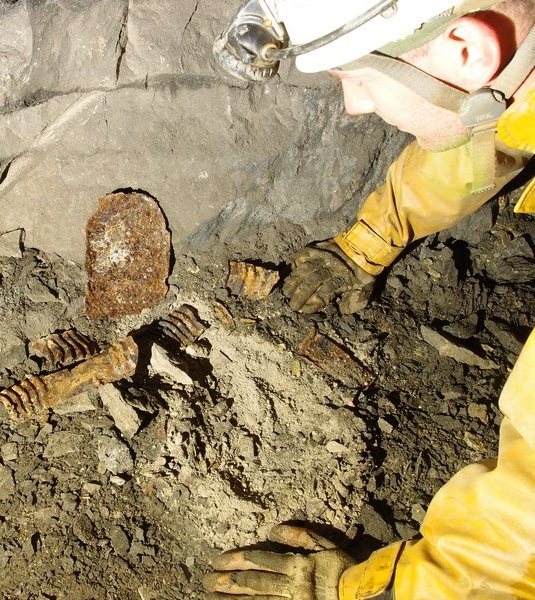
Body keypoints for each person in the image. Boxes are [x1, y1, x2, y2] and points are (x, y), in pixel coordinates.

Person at [204, 1, 535, 598]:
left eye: (356, 76)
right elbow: (485, 135)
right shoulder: (514, 76)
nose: (354, 105)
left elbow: (522, 544)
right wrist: (365, 244)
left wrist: (371, 588)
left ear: (468, 51)